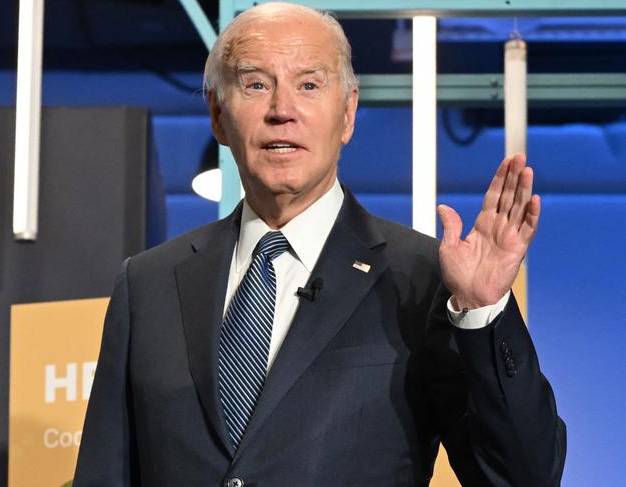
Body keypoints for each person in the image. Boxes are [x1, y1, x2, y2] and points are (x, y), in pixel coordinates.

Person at [73, 3, 566, 486]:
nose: (281, 111)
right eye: (256, 84)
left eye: (308, 85)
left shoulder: (420, 280)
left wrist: (483, 312)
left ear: (347, 113)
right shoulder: (148, 284)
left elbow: (524, 476)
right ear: (219, 117)